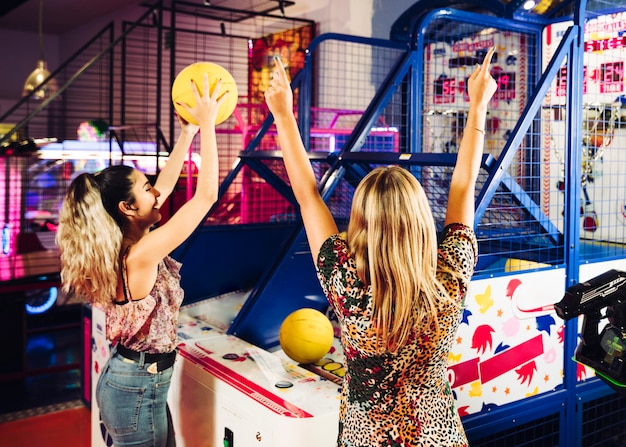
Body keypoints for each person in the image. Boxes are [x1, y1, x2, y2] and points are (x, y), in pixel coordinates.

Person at [264, 48, 497, 447]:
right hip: (436, 435)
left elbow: (308, 196)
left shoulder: (344, 277)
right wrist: (478, 106)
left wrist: (284, 115)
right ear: (420, 217)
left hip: (366, 436)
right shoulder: (452, 269)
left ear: (360, 220)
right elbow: (462, 185)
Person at [56, 74, 227, 446]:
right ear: (128, 208)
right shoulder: (139, 255)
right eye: (147, 190)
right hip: (135, 386)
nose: (158, 193)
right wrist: (210, 125)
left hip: (136, 381)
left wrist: (188, 133)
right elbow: (206, 196)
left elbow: (163, 185)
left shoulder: (131, 239)